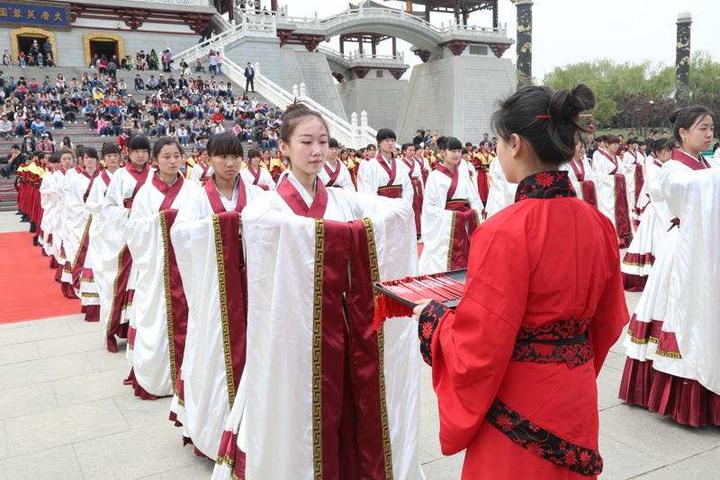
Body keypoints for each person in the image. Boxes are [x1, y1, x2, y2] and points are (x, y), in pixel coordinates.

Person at [413, 84, 628, 479]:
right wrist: (569, 361)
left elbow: (481, 342)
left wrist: (433, 321)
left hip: (518, 402)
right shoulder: (598, 224)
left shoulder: (503, 231)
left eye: (497, 141)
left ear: (515, 144)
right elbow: (610, 319)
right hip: (575, 394)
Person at [213, 103, 421, 480]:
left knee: (346, 402)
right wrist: (347, 235)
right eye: (306, 141)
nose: (316, 151)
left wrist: (355, 231)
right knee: (299, 407)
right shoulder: (268, 206)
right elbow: (264, 239)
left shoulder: (343, 198)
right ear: (284, 148)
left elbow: (398, 210)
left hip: (342, 325)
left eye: (323, 142)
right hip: (293, 331)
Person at [619, 106, 718, 427]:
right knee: (683, 312)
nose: (708, 133)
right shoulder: (672, 169)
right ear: (683, 133)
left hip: (705, 249)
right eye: (702, 128)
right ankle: (676, 390)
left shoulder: (705, 164)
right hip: (683, 253)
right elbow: (692, 189)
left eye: (711, 127)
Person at [170, 132, 264, 459]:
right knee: (215, 352)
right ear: (208, 158)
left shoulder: (254, 193)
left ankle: (253, 429)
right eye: (222, 156)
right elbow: (179, 235)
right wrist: (221, 225)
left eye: (235, 156)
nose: (230, 163)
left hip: (253, 288)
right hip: (216, 293)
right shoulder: (198, 196)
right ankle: (213, 429)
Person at [125, 137, 197, 399]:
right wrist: (162, 221)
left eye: (176, 156)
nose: (172, 161)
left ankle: (187, 378)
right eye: (166, 156)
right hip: (157, 268)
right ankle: (157, 378)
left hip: (186, 268)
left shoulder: (193, 190)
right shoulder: (145, 193)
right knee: (156, 319)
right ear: (155, 160)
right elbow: (134, 231)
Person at [101, 135, 153, 352]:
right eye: (136, 151)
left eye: (144, 151)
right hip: (127, 235)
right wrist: (129, 213)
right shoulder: (121, 176)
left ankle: (143, 329)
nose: (141, 155)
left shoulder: (155, 174)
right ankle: (113, 330)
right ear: (128, 153)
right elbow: (109, 207)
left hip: (150, 234)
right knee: (121, 281)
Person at [418, 136, 483, 275]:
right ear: (442, 152)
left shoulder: (464, 174)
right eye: (452, 151)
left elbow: (475, 199)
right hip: (446, 227)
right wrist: (454, 216)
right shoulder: (434, 176)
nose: (457, 154)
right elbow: (430, 209)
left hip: (465, 224)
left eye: (459, 151)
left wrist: (473, 213)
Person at [620, 139, 674, 292]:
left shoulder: (670, 166)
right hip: (656, 209)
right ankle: (653, 275)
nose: (667, 153)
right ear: (657, 152)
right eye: (664, 150)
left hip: (667, 207)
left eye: (669, 150)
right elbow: (655, 188)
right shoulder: (652, 167)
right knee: (655, 241)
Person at [78, 143, 122, 323]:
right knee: (100, 263)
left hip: (122, 225)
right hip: (103, 226)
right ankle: (97, 304)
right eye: (109, 156)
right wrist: (108, 210)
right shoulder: (99, 179)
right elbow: (92, 204)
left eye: (115, 155)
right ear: (104, 159)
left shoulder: (124, 175)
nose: (112, 159)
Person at [60, 147, 100, 299]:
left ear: (97, 160)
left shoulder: (102, 177)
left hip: (99, 222)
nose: (89, 160)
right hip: (81, 221)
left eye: (92, 157)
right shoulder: (77, 179)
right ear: (82, 160)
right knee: (79, 251)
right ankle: (80, 283)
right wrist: (86, 212)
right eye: (86, 158)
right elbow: (73, 203)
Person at [592, 134, 633, 248]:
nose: (616, 146)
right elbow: (598, 176)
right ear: (607, 145)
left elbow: (623, 171)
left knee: (619, 212)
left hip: (617, 190)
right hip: (606, 191)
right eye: (613, 144)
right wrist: (614, 178)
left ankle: (620, 236)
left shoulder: (617, 158)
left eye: (617, 144)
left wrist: (619, 178)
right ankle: (610, 237)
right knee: (609, 213)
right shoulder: (599, 156)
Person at [357, 128, 414, 206]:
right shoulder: (371, 165)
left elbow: (408, 187)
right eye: (387, 140)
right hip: (380, 208)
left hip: (400, 207)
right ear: (379, 143)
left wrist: (404, 205)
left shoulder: (400, 163)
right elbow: (368, 190)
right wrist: (382, 207)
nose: (390, 143)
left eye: (392, 140)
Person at [399, 142, 424, 236]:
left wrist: (422, 189)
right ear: (404, 151)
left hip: (417, 187)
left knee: (418, 208)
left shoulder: (416, 163)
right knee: (410, 208)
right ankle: (410, 231)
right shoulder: (400, 163)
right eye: (410, 150)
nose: (413, 152)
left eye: (413, 150)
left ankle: (418, 230)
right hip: (407, 188)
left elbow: (420, 176)